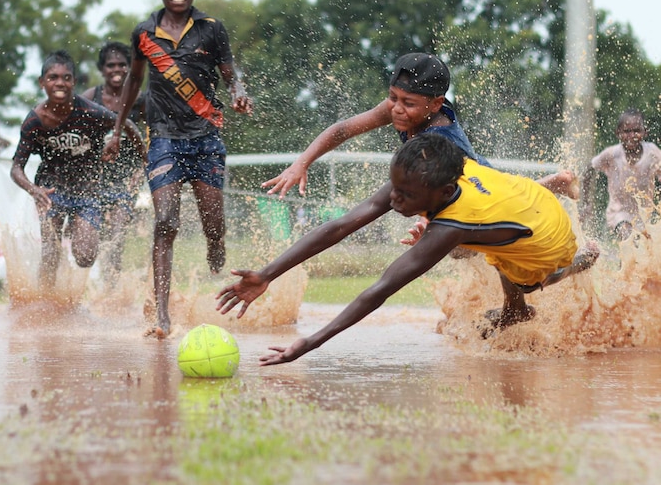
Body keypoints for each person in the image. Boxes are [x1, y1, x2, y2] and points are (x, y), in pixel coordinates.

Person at [216, 133, 599, 365]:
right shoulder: (430, 172)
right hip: (523, 198)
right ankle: (551, 185)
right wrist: (267, 274)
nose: (394, 201)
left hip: (545, 240)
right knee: (466, 245)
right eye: (393, 188)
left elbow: (381, 288)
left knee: (523, 279)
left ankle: (577, 264)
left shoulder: (454, 222)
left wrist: (308, 343)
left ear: (444, 192)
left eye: (407, 195)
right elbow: (341, 225)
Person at [102, 0, 253, 338]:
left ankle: (214, 244)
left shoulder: (212, 29)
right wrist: (118, 129)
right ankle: (162, 315)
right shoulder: (144, 33)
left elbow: (230, 71)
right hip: (164, 139)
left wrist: (238, 91)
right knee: (165, 223)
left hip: (206, 138)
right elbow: (134, 82)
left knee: (214, 224)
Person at [262, 52, 577, 201]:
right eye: (393, 97)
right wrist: (300, 164)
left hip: (474, 181)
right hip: (462, 177)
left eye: (408, 103)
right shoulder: (400, 107)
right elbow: (343, 129)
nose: (397, 109)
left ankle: (555, 184)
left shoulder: (440, 141)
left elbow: (453, 191)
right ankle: (555, 183)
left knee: (504, 206)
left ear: (436, 104)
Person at [11, 50, 145, 290]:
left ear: (73, 82)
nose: (59, 83)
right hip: (51, 190)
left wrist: (141, 156)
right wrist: (34, 189)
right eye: (53, 78)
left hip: (87, 191)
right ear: (42, 83)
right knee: (51, 252)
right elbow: (16, 168)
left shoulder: (91, 111)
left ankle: (82, 229)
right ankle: (46, 305)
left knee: (85, 257)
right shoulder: (35, 120)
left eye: (66, 78)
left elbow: (128, 124)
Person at [82, 41, 147, 289]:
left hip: (125, 178)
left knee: (117, 236)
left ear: (130, 68)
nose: (117, 70)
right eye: (111, 65)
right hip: (93, 178)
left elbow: (152, 138)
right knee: (89, 240)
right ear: (102, 69)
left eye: (122, 65)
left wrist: (141, 172)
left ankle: (111, 290)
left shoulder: (139, 100)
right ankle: (85, 288)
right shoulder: (90, 98)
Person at [580, 108, 661, 240]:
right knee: (627, 236)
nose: (632, 136)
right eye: (627, 131)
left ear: (645, 132)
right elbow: (590, 168)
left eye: (637, 131)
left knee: (640, 253)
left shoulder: (652, 153)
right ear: (618, 133)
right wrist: (586, 203)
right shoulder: (612, 154)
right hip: (618, 213)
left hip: (643, 215)